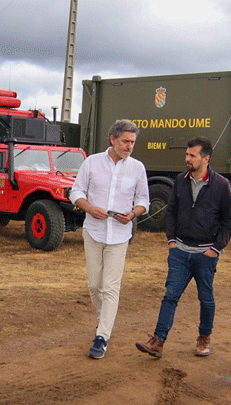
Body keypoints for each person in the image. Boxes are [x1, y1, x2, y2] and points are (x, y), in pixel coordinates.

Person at [136, 137, 231, 358]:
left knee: (206, 299)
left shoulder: (221, 185)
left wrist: (215, 249)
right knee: (170, 296)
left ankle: (204, 338)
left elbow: (229, 222)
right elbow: (171, 212)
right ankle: (158, 341)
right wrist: (172, 241)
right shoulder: (181, 181)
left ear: (206, 158)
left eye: (192, 155)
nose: (187, 159)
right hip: (180, 252)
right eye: (187, 154)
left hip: (205, 254)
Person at [70, 119, 150, 359]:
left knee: (111, 286)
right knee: (95, 285)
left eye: (132, 142)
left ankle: (102, 336)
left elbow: (143, 200)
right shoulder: (91, 163)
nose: (129, 146)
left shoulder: (137, 168)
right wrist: (89, 208)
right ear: (113, 139)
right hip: (93, 231)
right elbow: (76, 191)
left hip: (120, 235)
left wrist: (133, 214)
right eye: (125, 141)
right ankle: (103, 320)